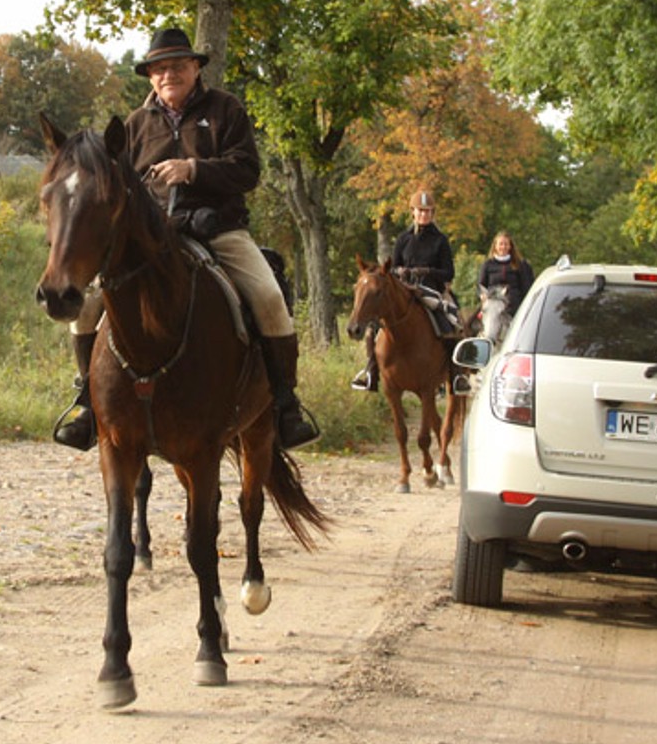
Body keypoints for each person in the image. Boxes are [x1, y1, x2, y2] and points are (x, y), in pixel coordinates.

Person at [51, 27, 319, 452]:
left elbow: (247, 170)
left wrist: (192, 170)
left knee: (269, 298)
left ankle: (286, 404)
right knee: (84, 311)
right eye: (159, 69)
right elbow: (118, 187)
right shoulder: (135, 125)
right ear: (150, 77)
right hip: (153, 242)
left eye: (177, 66)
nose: (167, 75)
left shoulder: (226, 109)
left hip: (220, 230)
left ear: (195, 68)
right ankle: (87, 403)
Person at [350, 190, 456, 392]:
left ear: (432, 213)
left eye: (427, 211)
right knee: (373, 329)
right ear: (413, 212)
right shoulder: (403, 239)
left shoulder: (440, 240)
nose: (424, 215)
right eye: (420, 211)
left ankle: (453, 374)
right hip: (403, 289)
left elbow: (449, 272)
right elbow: (392, 268)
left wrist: (426, 270)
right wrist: (400, 271)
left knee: (450, 322)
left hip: (431, 289)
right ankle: (371, 373)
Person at [476, 230, 534, 345]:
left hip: (513, 304)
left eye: (506, 244)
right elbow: (481, 284)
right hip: (492, 302)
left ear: (510, 246)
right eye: (501, 244)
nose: (503, 247)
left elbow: (526, 286)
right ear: (495, 246)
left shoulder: (520, 264)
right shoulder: (488, 264)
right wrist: (482, 296)